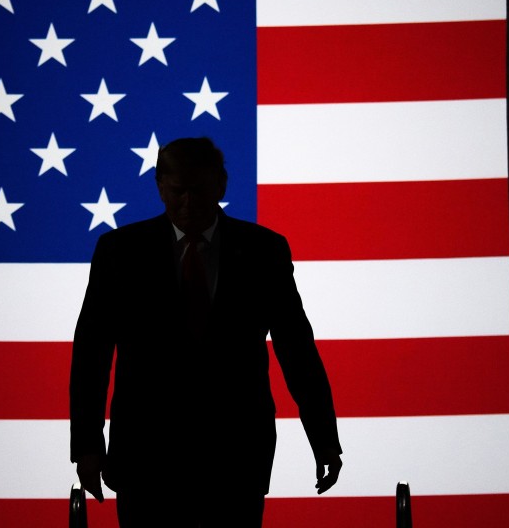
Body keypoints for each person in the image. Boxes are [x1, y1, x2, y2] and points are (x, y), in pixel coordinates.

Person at [69, 136, 342, 527]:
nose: (188, 202)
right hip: (146, 457)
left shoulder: (265, 251)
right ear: (160, 187)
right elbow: (91, 356)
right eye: (178, 191)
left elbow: (297, 351)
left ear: (221, 186)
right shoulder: (120, 252)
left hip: (235, 458)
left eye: (199, 190)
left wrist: (324, 439)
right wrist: (88, 446)